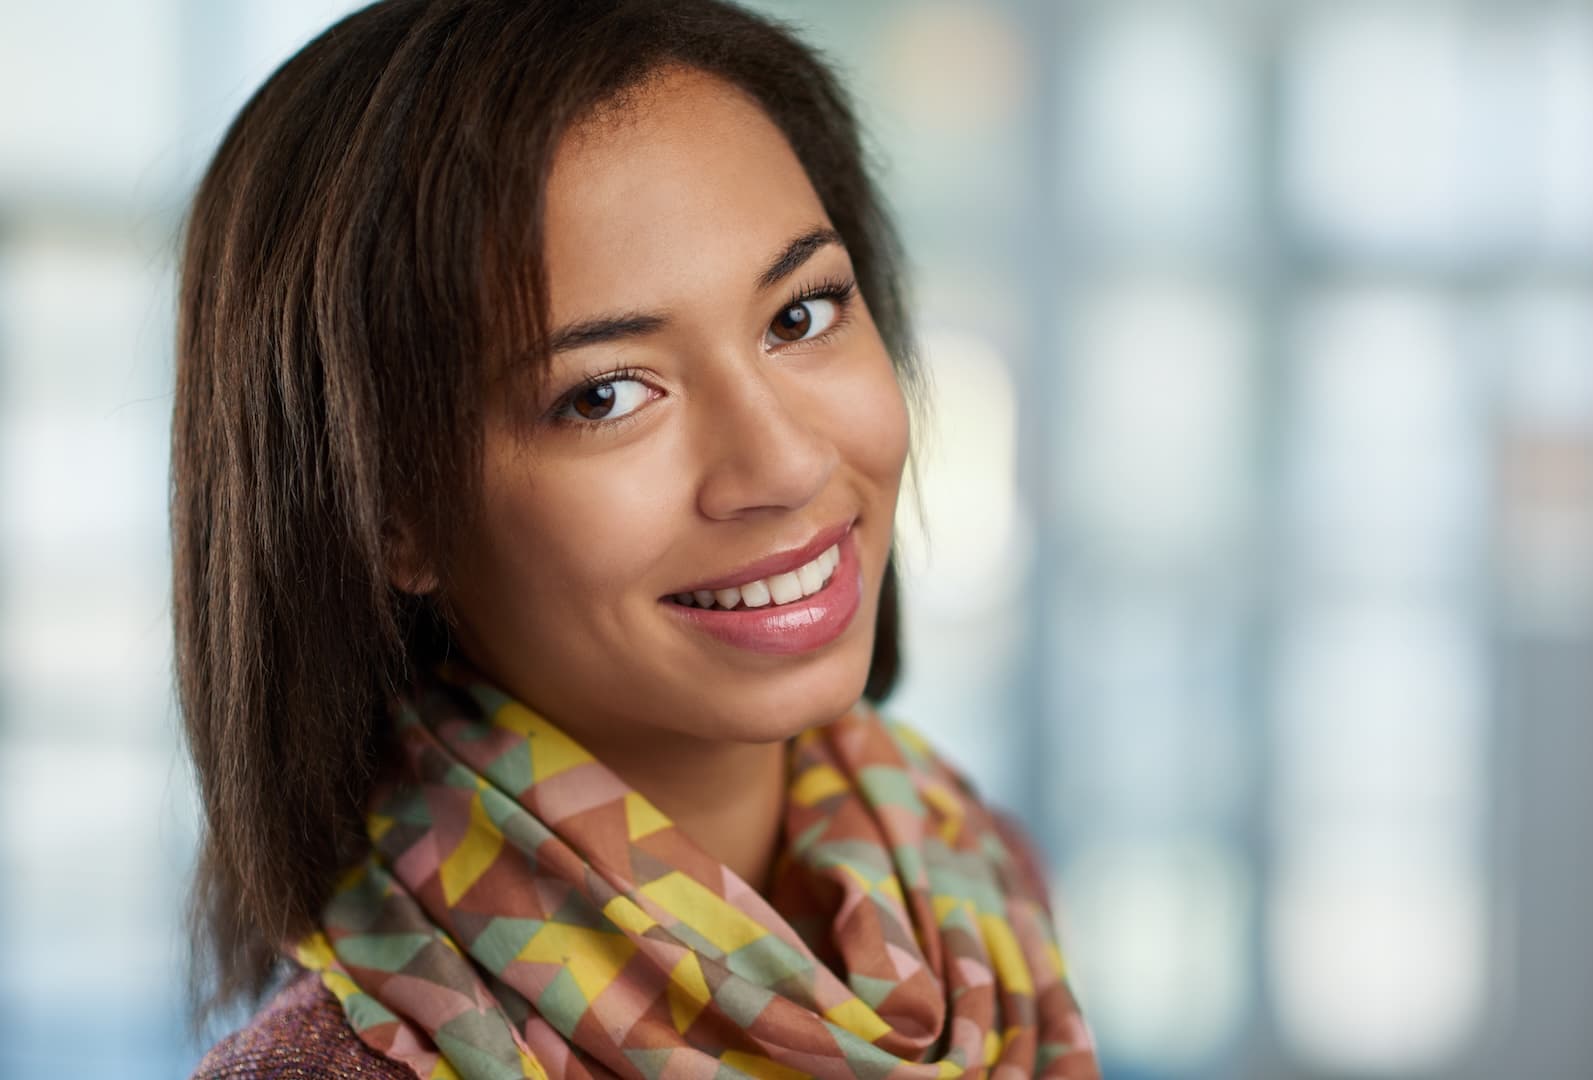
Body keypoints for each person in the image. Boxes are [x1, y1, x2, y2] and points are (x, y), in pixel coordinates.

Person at [174, 1, 1101, 1076]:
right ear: (393, 515)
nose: (786, 465)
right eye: (607, 394)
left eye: (799, 316)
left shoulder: (975, 879)